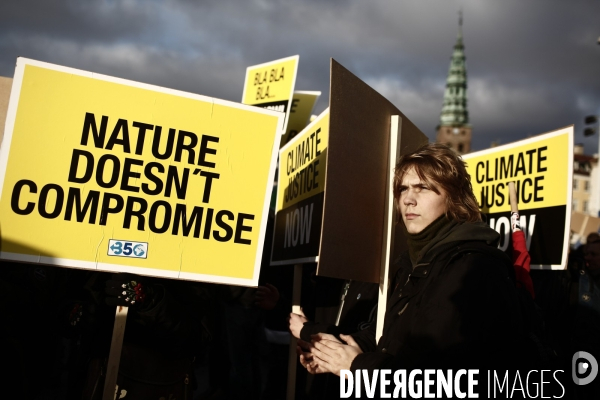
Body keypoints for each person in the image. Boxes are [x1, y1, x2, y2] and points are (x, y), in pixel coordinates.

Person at [299, 143, 524, 378]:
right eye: (403, 189)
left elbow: (436, 377)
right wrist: (329, 353)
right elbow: (389, 341)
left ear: (455, 198)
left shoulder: (473, 268)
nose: (408, 199)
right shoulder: (409, 264)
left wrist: (356, 366)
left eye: (422, 188)